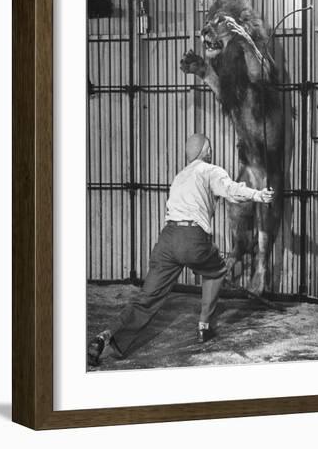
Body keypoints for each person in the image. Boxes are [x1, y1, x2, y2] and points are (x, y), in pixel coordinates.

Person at [87, 134, 274, 366]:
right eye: (210, 149)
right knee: (216, 270)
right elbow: (230, 189)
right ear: (206, 150)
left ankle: (106, 336)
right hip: (192, 239)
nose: (211, 153)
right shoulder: (210, 170)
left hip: (166, 240)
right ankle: (204, 325)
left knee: (147, 298)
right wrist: (257, 194)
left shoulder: (179, 176)